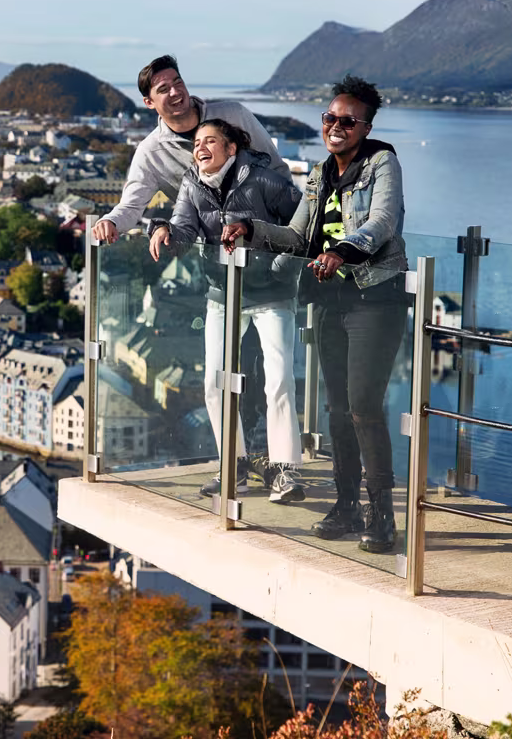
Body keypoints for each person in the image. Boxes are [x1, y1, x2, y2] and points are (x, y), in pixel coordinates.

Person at [224, 75, 406, 553]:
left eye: (348, 120)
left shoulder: (382, 162)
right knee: (337, 410)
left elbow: (382, 221)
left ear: (366, 127)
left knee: (365, 408)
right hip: (329, 302)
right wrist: (250, 228)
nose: (336, 126)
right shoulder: (320, 173)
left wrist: (345, 250)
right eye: (329, 118)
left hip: (375, 299)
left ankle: (381, 516)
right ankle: (346, 506)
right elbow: (298, 237)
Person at [148, 120, 305, 502]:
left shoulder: (265, 180)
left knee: (279, 379)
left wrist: (279, 263)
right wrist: (164, 229)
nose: (200, 147)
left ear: (231, 148)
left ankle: (287, 471)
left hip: (271, 292)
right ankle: (232, 467)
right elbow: (185, 229)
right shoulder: (192, 183)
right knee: (215, 382)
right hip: (223, 291)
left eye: (210, 141)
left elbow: (303, 226)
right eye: (197, 142)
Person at [90, 55, 278, 244]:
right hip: (216, 256)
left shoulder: (234, 114)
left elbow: (277, 168)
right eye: (163, 89)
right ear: (149, 102)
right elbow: (132, 206)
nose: (175, 92)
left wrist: (290, 235)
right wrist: (110, 220)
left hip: (270, 243)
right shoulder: (151, 152)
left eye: (177, 82)